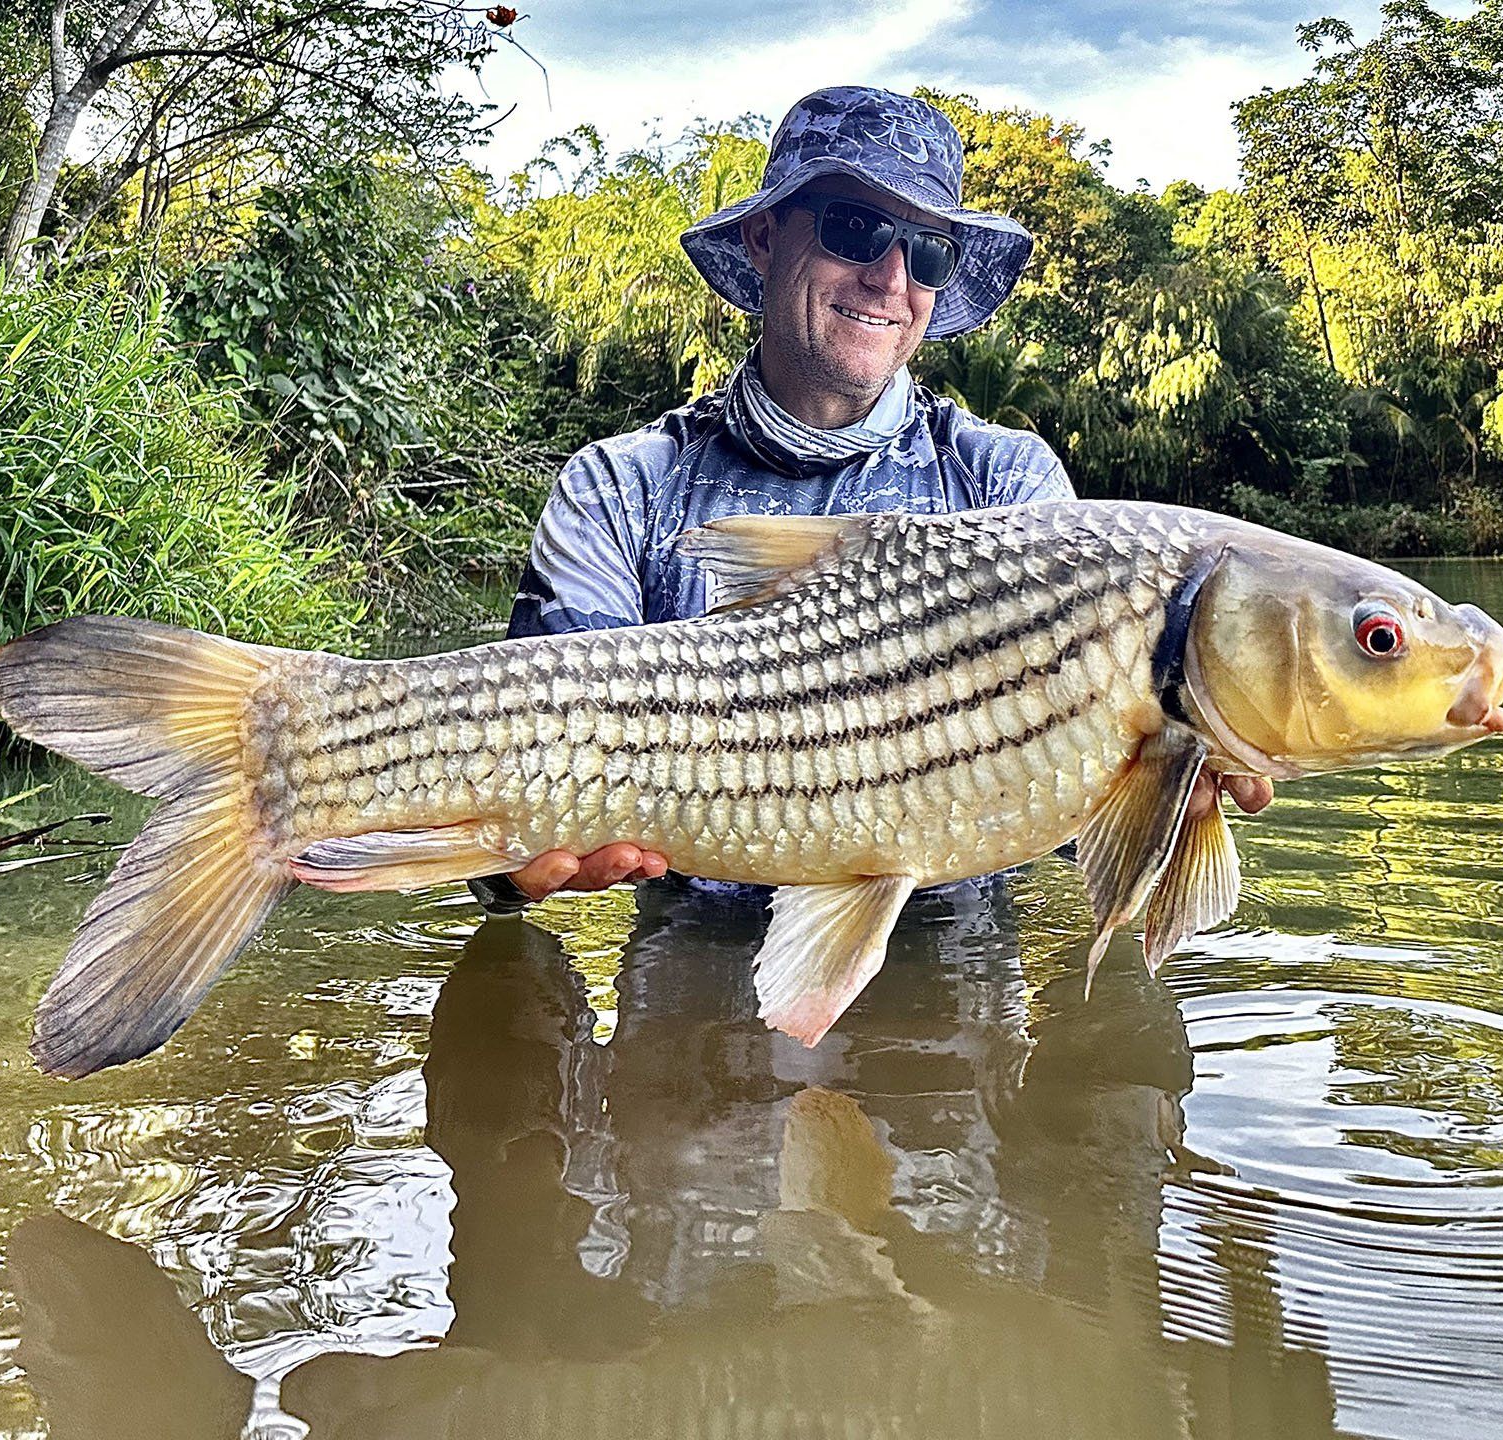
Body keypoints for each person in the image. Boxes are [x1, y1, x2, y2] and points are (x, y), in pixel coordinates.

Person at [472, 85, 1268, 916]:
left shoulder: (1008, 489)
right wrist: (502, 868)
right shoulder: (619, 489)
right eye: (857, 228)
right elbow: (521, 765)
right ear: (763, 237)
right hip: (691, 981)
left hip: (957, 980)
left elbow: (1065, 817)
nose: (891, 277)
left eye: (927, 252)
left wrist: (1165, 787)